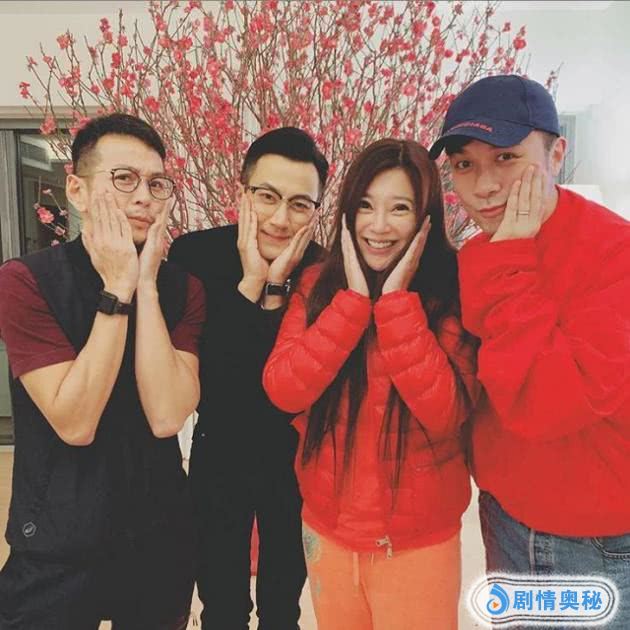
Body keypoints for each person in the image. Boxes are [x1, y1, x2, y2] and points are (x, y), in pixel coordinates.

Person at [430, 74, 630, 626]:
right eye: (464, 164)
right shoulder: (480, 252)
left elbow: (546, 402)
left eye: (506, 158)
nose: (484, 185)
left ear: (556, 154)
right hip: (504, 516)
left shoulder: (615, 253)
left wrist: (510, 259)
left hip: (592, 542)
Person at [262, 138, 478, 630]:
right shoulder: (318, 285)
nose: (378, 226)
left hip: (417, 542)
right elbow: (283, 389)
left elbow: (445, 413)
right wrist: (353, 303)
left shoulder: (452, 290)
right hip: (328, 529)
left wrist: (396, 302)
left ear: (425, 218)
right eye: (365, 206)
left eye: (399, 208)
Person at [0, 113, 205, 629]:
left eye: (156, 184)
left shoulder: (183, 289)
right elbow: (76, 421)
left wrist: (147, 285)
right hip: (56, 541)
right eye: (124, 179)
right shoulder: (25, 281)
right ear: (77, 190)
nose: (144, 198)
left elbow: (167, 417)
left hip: (158, 537)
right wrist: (117, 289)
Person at [168, 127, 328, 630]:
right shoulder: (193, 255)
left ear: (316, 210)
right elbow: (215, 377)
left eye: (299, 204)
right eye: (267, 196)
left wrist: (278, 288)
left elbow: (287, 388)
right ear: (243, 192)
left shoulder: (324, 271)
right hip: (219, 448)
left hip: (295, 457)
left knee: (283, 609)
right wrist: (253, 282)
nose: (280, 219)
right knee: (221, 607)